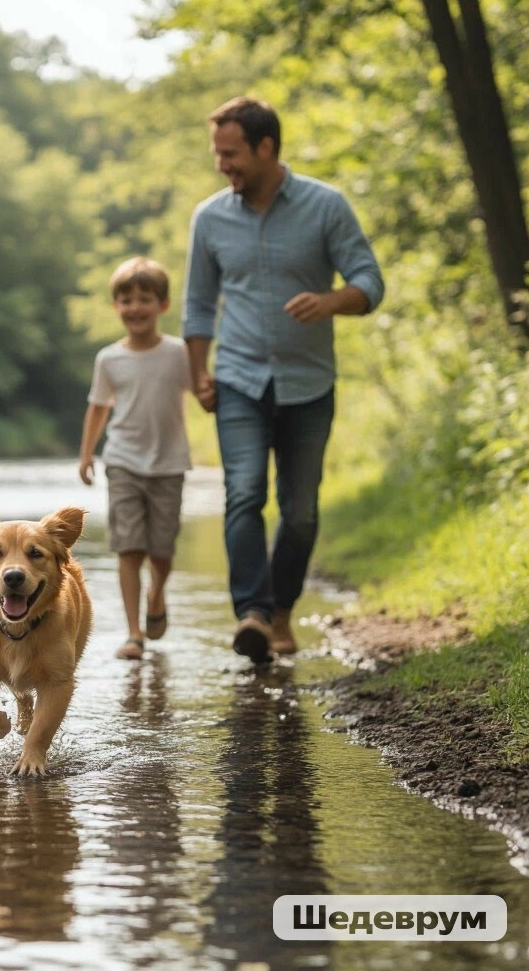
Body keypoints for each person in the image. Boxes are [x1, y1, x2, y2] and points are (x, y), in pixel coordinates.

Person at [183, 96, 384, 664]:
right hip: (239, 381)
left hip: (309, 384)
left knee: (300, 512)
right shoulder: (210, 218)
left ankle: (281, 613)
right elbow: (198, 306)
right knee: (244, 493)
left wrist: (331, 301)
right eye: (218, 154)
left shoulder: (326, 206)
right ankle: (251, 611)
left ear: (267, 147)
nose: (222, 164)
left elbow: (370, 280)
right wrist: (198, 375)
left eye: (232, 153)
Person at [79, 257, 193, 660]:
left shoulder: (179, 353)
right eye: (126, 300)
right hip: (123, 461)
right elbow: (98, 407)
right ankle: (133, 633)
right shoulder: (109, 359)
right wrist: (87, 454)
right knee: (129, 548)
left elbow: (202, 389)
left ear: (162, 305)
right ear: (116, 307)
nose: (135, 307)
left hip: (169, 462)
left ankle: (156, 596)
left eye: (145, 299)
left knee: (161, 550)